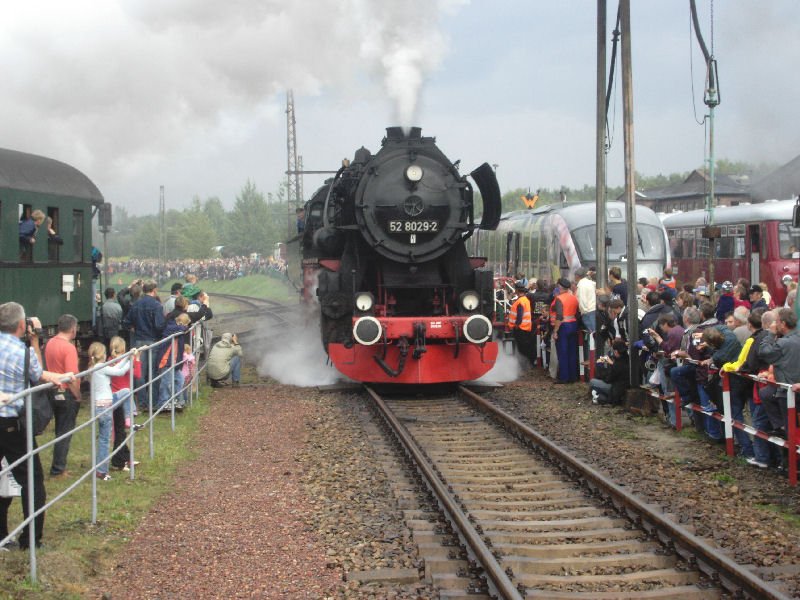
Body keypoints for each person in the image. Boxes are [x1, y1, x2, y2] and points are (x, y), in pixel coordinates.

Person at [0, 302, 68, 550]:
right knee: (32, 480)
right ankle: (30, 539)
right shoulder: (23, 352)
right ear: (21, 325)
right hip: (11, 425)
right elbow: (37, 375)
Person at [86, 342, 133, 481]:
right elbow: (119, 372)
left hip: (106, 402)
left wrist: (128, 356)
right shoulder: (100, 367)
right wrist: (131, 361)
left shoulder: (96, 367)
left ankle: (129, 417)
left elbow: (116, 367)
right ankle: (101, 471)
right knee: (104, 440)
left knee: (126, 391)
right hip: (105, 407)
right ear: (102, 354)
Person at [44, 314, 82, 478]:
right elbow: (71, 377)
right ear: (73, 329)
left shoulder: (50, 343)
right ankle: (58, 469)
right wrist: (78, 395)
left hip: (53, 390)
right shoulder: (69, 348)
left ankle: (58, 466)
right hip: (66, 392)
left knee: (59, 430)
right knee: (64, 431)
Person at [759, 308, 800, 443]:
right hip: (794, 387)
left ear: (782, 323)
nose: (774, 324)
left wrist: (771, 334)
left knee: (791, 434)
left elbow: (764, 352)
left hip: (787, 391)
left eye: (776, 322)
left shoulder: (783, 343)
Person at [108, 336, 138, 472]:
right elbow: (137, 374)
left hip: (116, 397)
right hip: (119, 399)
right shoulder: (120, 362)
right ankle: (118, 461)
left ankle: (125, 457)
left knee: (120, 430)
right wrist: (136, 360)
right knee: (119, 431)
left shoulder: (110, 361)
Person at [551, 277, 579, 384]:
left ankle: (564, 377)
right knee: (572, 352)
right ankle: (573, 376)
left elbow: (559, 316)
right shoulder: (573, 297)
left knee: (563, 352)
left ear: (559, 287)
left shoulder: (559, 299)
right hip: (573, 324)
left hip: (563, 326)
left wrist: (555, 331)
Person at [589, 340, 630, 405]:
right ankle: (599, 395)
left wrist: (600, 366)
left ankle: (599, 396)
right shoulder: (628, 359)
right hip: (626, 386)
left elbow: (608, 379)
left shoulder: (617, 365)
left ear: (616, 351)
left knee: (592, 382)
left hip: (616, 389)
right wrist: (611, 362)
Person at [507, 281, 534, 368]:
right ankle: (526, 364)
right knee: (526, 347)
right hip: (526, 328)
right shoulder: (525, 300)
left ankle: (523, 366)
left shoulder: (520, 302)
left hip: (520, 329)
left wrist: (516, 325)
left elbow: (519, 316)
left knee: (521, 348)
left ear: (517, 291)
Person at [575, 267, 596, 333]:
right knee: (594, 332)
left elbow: (582, 301)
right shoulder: (590, 282)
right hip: (593, 310)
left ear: (577, 276)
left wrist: (584, 312)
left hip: (588, 312)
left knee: (592, 333)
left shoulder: (581, 285)